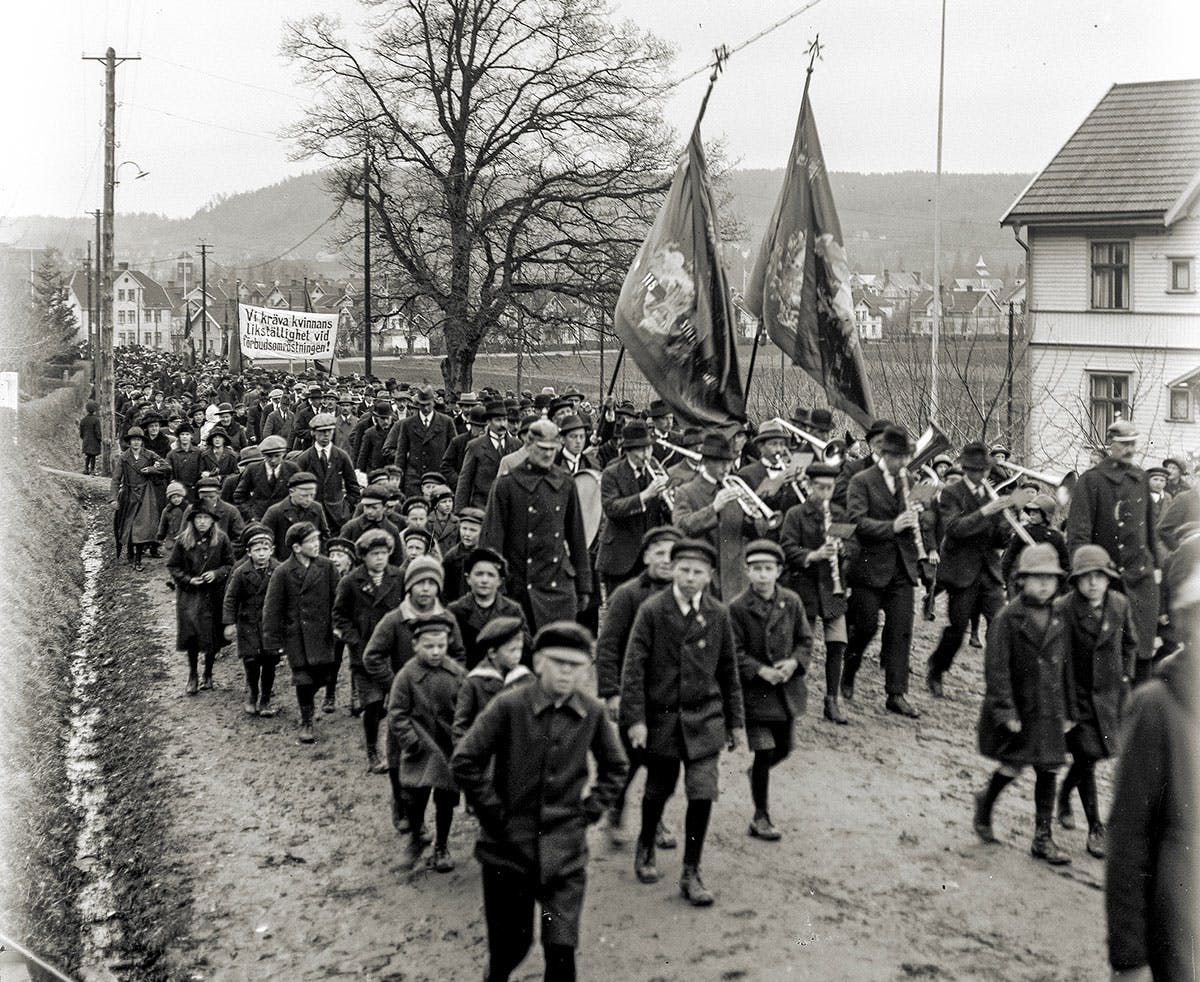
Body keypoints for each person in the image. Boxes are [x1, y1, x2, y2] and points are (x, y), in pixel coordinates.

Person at [451, 622, 628, 982]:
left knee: (561, 953)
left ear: (587, 671)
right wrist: (494, 814)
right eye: (557, 662)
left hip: (565, 854)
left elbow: (616, 767)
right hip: (507, 853)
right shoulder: (509, 706)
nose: (566, 672)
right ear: (539, 663)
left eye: (576, 665)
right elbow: (465, 760)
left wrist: (589, 812)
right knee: (510, 947)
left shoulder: (591, 712)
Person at [620, 537, 744, 906]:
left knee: (702, 792)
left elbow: (728, 672)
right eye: (684, 570)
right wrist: (636, 720)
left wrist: (737, 725)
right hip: (662, 719)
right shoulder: (653, 611)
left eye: (698, 572)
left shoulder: (718, 614)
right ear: (672, 570)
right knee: (658, 788)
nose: (690, 578)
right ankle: (645, 845)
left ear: (709, 576)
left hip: (705, 719)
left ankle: (691, 870)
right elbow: (634, 669)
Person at [1105, 535, 1198, 982]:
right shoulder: (1157, 706)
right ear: (1185, 625)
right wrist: (1128, 957)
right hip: (1177, 935)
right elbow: (1128, 838)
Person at [972, 543, 1073, 865]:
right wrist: (1005, 710)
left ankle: (1043, 837)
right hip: (1021, 709)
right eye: (1036, 577)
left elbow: (1066, 667)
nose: (1044, 584)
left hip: (1050, 710)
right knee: (1013, 765)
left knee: (1049, 769)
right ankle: (986, 803)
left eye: (1050, 578)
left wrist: (1069, 710)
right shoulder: (1008, 618)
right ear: (1021, 580)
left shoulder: (1060, 617)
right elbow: (997, 670)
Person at [362, 556, 466, 832]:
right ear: (409, 586)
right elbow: (372, 656)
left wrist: (450, 684)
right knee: (399, 760)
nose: (425, 589)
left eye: (432, 583)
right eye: (419, 583)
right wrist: (395, 684)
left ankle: (425, 816)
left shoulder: (447, 618)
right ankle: (400, 802)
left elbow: (458, 655)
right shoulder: (395, 620)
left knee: (439, 761)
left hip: (440, 708)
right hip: (406, 706)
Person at [842, 425, 935, 718]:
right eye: (897, 458)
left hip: (902, 568)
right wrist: (892, 527)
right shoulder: (861, 481)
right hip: (869, 567)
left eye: (905, 458)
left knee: (900, 632)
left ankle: (896, 694)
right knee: (865, 628)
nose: (903, 464)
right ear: (883, 454)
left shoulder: (908, 479)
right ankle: (848, 672)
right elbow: (856, 522)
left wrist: (921, 514)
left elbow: (926, 519)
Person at [595, 525, 680, 848]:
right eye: (659, 554)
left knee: (666, 763)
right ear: (645, 556)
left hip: (671, 696)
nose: (666, 561)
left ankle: (654, 819)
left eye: (672, 555)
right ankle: (616, 809)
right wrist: (611, 692)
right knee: (630, 760)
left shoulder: (685, 595)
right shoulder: (628, 595)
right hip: (634, 695)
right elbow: (608, 646)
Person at [926, 442, 1032, 698]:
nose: (981, 475)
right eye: (975, 470)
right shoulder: (952, 493)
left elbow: (998, 540)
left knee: (1000, 625)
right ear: (965, 468)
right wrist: (987, 511)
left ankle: (1003, 686)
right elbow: (954, 529)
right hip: (962, 572)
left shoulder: (991, 494)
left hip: (989, 573)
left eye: (984, 470)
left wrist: (1010, 523)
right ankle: (937, 668)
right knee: (958, 627)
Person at [1055, 544, 1136, 859]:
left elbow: (1130, 642)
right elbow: (1057, 656)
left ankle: (1064, 793)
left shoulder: (1119, 604)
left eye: (1099, 577)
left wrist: (1126, 676)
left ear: (1108, 579)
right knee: (1087, 758)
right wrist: (1064, 703)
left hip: (1110, 696)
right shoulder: (1065, 608)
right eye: (1085, 577)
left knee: (1096, 756)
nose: (1092, 583)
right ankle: (1095, 827)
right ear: (1075, 581)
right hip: (1078, 697)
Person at [728, 540, 812, 842]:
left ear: (778, 571)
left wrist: (794, 663)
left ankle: (756, 776)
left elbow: (805, 640)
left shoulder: (791, 602)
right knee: (763, 751)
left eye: (768, 569)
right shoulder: (737, 608)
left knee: (784, 749)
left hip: (786, 691)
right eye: (756, 570)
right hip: (755, 695)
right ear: (747, 571)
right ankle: (760, 815)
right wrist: (759, 670)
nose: (762, 576)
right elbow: (733, 651)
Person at [1067, 420, 1160, 684]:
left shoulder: (1141, 479)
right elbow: (1078, 536)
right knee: (1107, 654)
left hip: (1141, 580)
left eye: (1133, 444)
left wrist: (1157, 570)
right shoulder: (1091, 481)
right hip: (1109, 581)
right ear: (1111, 445)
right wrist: (1085, 574)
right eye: (1124, 444)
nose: (1130, 450)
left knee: (1142, 654)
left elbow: (1150, 533)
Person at [480, 420, 592, 631]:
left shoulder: (565, 482)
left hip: (558, 585)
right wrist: (496, 585)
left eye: (553, 449)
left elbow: (577, 537)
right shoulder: (507, 485)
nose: (548, 455)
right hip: (520, 585)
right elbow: (492, 540)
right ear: (528, 445)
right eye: (542, 449)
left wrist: (584, 585)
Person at [779, 462, 856, 723]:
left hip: (833, 590)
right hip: (805, 588)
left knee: (838, 644)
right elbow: (787, 548)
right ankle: (793, 697)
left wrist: (843, 550)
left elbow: (853, 546)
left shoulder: (838, 513)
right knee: (803, 644)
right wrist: (813, 554)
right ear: (809, 486)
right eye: (820, 488)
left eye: (830, 488)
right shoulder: (795, 514)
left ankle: (831, 701)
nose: (825, 493)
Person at [388, 613, 464, 870]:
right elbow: (396, 713)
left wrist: (461, 741)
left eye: (441, 646)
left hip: (447, 748)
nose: (435, 652)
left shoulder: (455, 675)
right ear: (415, 645)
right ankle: (416, 838)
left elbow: (466, 711)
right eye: (429, 646)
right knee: (413, 796)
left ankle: (441, 846)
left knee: (446, 800)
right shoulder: (406, 676)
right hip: (419, 749)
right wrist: (410, 741)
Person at [260, 521, 341, 744]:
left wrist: (339, 625)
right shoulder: (283, 572)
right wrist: (272, 640)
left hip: (323, 633)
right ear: (296, 547)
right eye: (311, 541)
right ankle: (306, 720)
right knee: (303, 679)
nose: (317, 545)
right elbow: (272, 607)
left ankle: (312, 702)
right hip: (296, 635)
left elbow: (338, 599)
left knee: (323, 676)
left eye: (318, 540)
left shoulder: (327, 566)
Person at [332, 529, 405, 770]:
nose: (380, 558)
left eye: (384, 553)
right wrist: (354, 639)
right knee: (373, 704)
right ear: (364, 556)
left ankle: (401, 751)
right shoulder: (351, 582)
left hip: (393, 652)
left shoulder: (398, 578)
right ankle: (373, 753)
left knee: (398, 701)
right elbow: (339, 616)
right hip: (364, 654)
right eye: (374, 554)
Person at [673, 432, 775, 600]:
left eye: (728, 462)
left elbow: (756, 533)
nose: (726, 468)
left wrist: (755, 518)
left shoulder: (736, 488)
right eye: (720, 463)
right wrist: (713, 508)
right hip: (702, 578)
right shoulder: (686, 491)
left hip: (736, 579)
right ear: (706, 462)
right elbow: (681, 528)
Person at [595, 421, 670, 596]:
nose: (646, 454)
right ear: (628, 451)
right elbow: (611, 508)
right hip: (620, 557)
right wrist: (645, 495)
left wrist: (666, 499)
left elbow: (667, 512)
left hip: (649, 556)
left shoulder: (656, 467)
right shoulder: (612, 473)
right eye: (640, 450)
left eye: (649, 448)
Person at [167, 504, 235, 695]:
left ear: (212, 520)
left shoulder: (221, 539)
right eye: (198, 518)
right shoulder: (183, 540)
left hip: (214, 594)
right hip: (190, 595)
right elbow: (173, 566)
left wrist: (216, 573)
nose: (202, 522)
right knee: (192, 634)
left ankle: (208, 673)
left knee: (213, 634)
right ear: (192, 521)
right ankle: (193, 674)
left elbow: (230, 564)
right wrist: (189, 579)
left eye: (206, 518)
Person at [221, 523, 281, 716]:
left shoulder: (278, 570)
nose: (262, 554)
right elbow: (230, 598)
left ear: (272, 550)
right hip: (248, 624)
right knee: (251, 660)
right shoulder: (241, 572)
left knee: (270, 662)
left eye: (265, 549)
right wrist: (230, 623)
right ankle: (252, 693)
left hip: (271, 625)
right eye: (257, 550)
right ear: (249, 552)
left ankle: (265, 700)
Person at [451, 616, 533, 744]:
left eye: (520, 649)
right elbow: (461, 727)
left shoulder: (526, 678)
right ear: (492, 653)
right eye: (512, 650)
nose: (518, 655)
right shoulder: (474, 682)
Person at [447, 546, 530, 669]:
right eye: (479, 574)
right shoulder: (455, 610)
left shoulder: (512, 611)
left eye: (491, 575)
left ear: (500, 581)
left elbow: (525, 649)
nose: (484, 580)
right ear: (468, 578)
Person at [111, 425, 171, 571]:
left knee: (141, 526)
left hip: (146, 493)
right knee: (129, 525)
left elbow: (167, 466)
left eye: (138, 440)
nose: (136, 443)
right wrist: (113, 498)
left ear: (142, 441)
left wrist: (152, 469)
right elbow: (116, 479)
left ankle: (137, 560)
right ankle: (130, 554)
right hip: (129, 493)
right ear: (129, 442)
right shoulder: (124, 458)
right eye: (133, 440)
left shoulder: (149, 455)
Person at [295, 413, 362, 534]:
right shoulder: (304, 458)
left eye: (329, 431)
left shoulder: (341, 456)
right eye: (322, 431)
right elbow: (296, 488)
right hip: (312, 517)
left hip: (338, 516)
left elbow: (353, 486)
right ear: (313, 433)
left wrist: (346, 507)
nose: (326, 435)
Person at [387, 385, 455, 495]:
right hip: (414, 479)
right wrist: (399, 480)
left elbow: (453, 453)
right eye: (422, 405)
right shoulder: (407, 424)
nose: (426, 408)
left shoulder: (446, 422)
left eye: (428, 404)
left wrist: (452, 479)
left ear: (434, 402)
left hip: (438, 478)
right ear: (418, 404)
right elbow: (401, 454)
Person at [1000, 494, 1068, 593]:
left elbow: (1065, 564)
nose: (1031, 514)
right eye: (1030, 511)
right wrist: (1004, 579)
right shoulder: (1023, 532)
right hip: (1023, 580)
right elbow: (1009, 557)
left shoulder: (1056, 537)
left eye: (1036, 512)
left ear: (1046, 515)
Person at [262, 472, 330, 561]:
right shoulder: (275, 512)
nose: (309, 499)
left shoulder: (317, 508)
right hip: (284, 563)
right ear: (291, 492)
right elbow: (265, 542)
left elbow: (324, 536)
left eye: (312, 495)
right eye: (304, 496)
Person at [234, 435, 299, 521]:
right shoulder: (253, 469)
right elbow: (239, 496)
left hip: (285, 519)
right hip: (259, 519)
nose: (273, 460)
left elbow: (299, 493)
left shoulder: (292, 468)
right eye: (269, 456)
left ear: (283, 454)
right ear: (263, 455)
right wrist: (251, 515)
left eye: (277, 456)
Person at [441, 506, 484, 603]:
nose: (467, 534)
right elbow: (445, 592)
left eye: (473, 530)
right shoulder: (451, 557)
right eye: (464, 528)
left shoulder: (489, 555)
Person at [156, 481, 189, 555]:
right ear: (170, 499)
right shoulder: (167, 510)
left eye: (178, 497)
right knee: (172, 555)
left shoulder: (187, 509)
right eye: (173, 497)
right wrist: (161, 536)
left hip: (185, 536)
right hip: (171, 537)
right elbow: (163, 524)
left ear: (182, 497)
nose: (176, 499)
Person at [80, 400, 102, 475]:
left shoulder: (83, 420)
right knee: (93, 456)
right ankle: (92, 470)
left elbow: (81, 433)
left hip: (86, 440)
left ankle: (86, 469)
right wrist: (100, 439)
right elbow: (97, 432)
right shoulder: (96, 420)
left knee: (88, 455)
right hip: (94, 441)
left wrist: (84, 438)